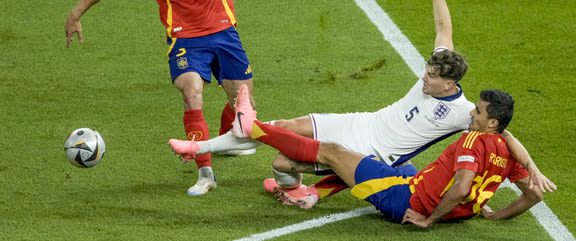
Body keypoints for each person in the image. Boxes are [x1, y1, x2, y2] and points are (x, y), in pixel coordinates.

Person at [166, 0, 555, 205]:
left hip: (372, 152)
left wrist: (533, 169)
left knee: (283, 163)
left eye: (432, 78)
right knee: (285, 125)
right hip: (362, 121)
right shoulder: (441, 64)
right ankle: (231, 155)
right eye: (427, 70)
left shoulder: (463, 112)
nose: (425, 78)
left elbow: (505, 134)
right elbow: (442, 26)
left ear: (450, 86)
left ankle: (290, 189)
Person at [64, 0, 341, 196]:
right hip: (185, 39)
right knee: (192, 92)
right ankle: (205, 172)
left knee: (245, 108)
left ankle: (229, 139)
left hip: (224, 33)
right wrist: (77, 12)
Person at [171, 85, 549, 226]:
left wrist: (429, 219)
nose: (472, 114)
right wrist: (493, 214)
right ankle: (313, 192)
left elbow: (463, 182)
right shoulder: (506, 151)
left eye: (479, 113)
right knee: (401, 163)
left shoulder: (472, 141)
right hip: (421, 188)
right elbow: (532, 194)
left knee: (335, 152)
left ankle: (251, 128)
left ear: (491, 121)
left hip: (407, 201)